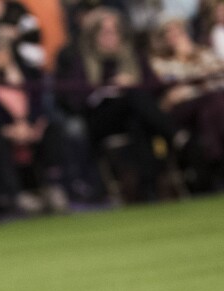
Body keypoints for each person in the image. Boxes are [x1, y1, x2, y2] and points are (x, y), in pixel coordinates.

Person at [55, 7, 175, 202]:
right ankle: (172, 133)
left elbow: (156, 88)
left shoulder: (134, 57)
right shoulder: (82, 61)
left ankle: (147, 186)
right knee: (133, 97)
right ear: (94, 36)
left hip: (135, 117)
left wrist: (132, 85)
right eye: (106, 32)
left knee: (136, 118)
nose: (111, 37)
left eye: (115, 31)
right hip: (100, 118)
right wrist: (109, 88)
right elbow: (74, 100)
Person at [0, 29, 69, 214]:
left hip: (28, 127)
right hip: (0, 131)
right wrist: (7, 129)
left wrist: (33, 124)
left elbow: (38, 102)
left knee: (53, 129)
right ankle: (15, 194)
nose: (3, 55)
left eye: (6, 50)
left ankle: (54, 186)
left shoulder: (24, 72)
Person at [150, 16, 224, 189]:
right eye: (170, 33)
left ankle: (216, 159)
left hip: (211, 106)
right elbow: (172, 92)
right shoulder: (159, 63)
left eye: (179, 31)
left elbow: (219, 76)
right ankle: (217, 160)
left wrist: (193, 59)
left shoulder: (203, 52)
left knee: (212, 106)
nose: (175, 36)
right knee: (214, 102)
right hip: (181, 111)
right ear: (162, 39)